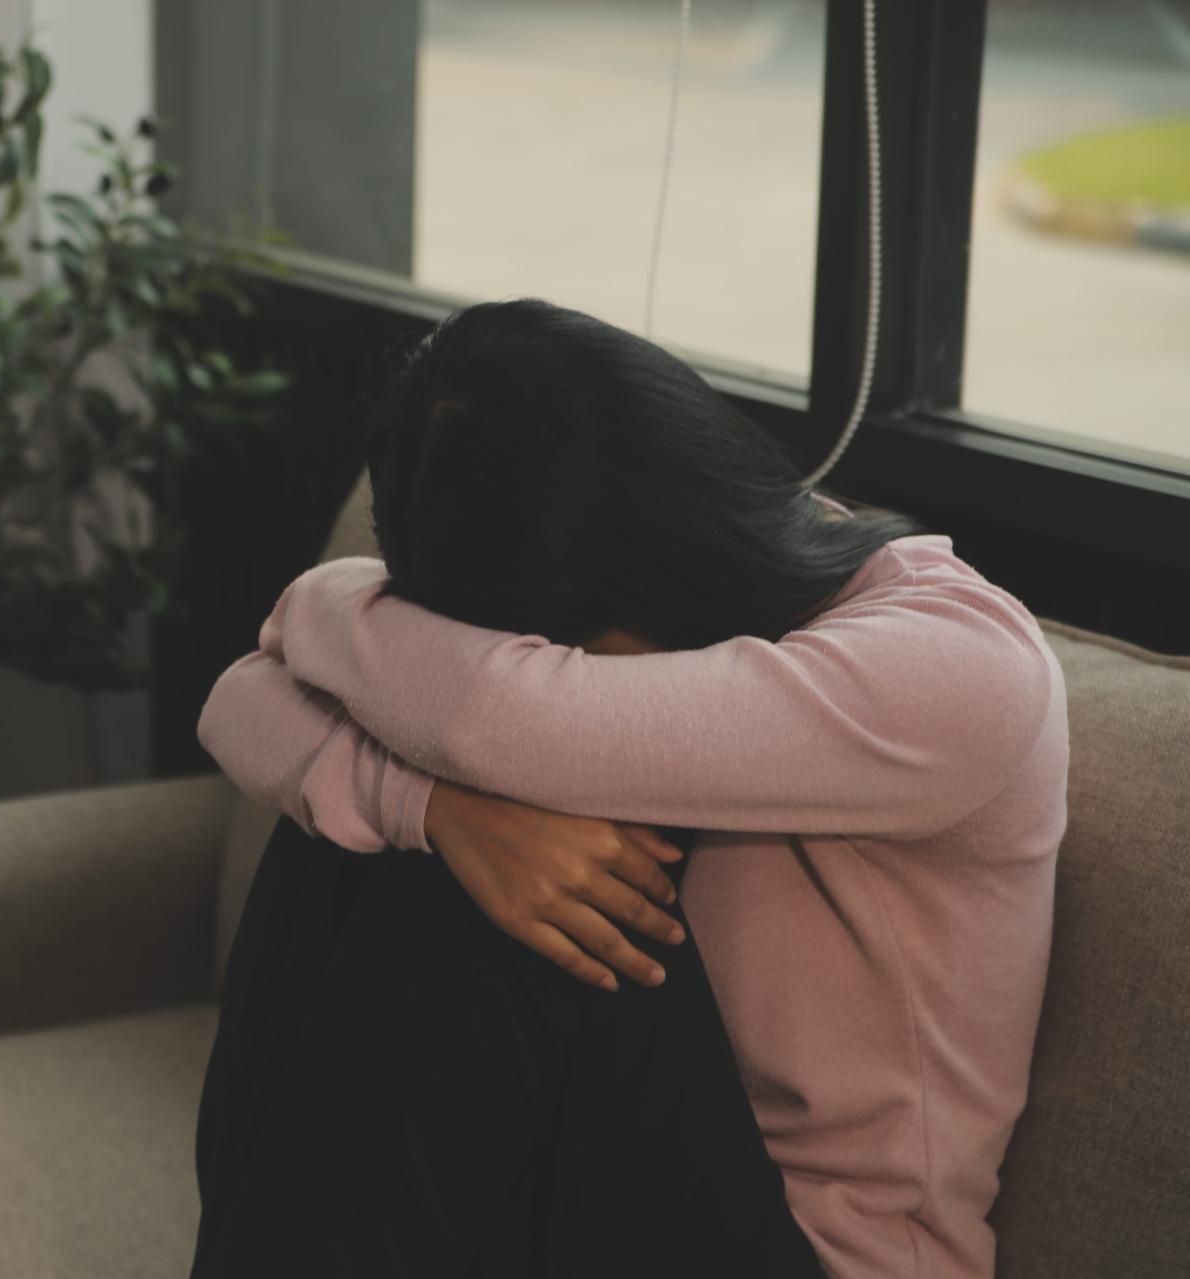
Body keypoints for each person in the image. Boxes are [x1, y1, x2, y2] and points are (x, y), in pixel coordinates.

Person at [186, 300, 1068, 1278]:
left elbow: (492, 718)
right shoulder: (688, 583)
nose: (553, 665)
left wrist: (322, 604)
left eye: (557, 649)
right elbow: (240, 704)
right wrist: (434, 810)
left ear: (657, 563)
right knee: (378, 818)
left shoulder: (955, 674)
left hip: (814, 1252)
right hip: (593, 1166)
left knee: (469, 864)